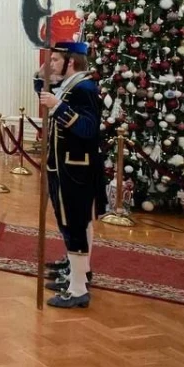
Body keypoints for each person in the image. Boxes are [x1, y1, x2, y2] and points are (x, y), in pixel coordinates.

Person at [38, 42, 106, 310]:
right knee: (74, 223)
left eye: (55, 60)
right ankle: (79, 271)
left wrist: (59, 108)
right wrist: (42, 75)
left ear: (72, 62)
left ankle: (78, 289)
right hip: (63, 166)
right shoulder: (70, 86)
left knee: (74, 224)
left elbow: (89, 128)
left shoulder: (84, 88)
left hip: (76, 168)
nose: (51, 63)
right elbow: (43, 88)